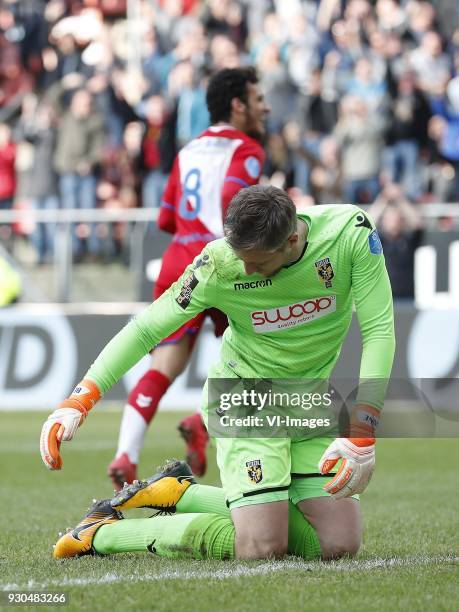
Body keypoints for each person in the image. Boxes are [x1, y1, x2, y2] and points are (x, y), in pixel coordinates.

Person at [41, 184, 395, 561]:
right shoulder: (218, 263)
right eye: (239, 256)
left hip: (307, 400)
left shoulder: (351, 233)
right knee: (262, 547)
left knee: (338, 544)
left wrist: (363, 429)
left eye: (256, 262)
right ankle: (103, 533)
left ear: (291, 239)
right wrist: (83, 396)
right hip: (245, 398)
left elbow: (378, 330)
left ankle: (181, 493)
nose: (244, 268)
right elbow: (146, 328)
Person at [107, 67, 269, 488]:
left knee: (165, 364)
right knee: (266, 356)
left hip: (180, 260)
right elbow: (238, 205)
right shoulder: (247, 149)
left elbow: (165, 218)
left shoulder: (188, 150)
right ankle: (202, 420)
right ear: (237, 105)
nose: (265, 106)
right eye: (258, 99)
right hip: (226, 261)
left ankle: (127, 453)